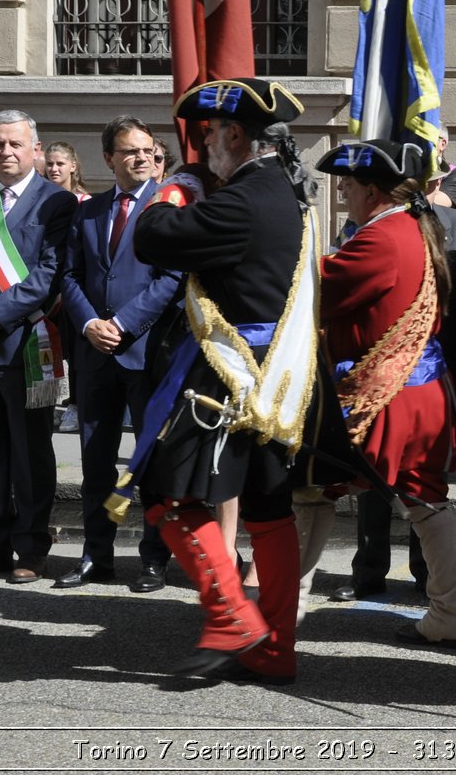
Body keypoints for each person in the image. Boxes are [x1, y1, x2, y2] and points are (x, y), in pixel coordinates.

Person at [131, 78, 339, 683]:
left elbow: (151, 237)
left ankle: (230, 618)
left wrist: (173, 187)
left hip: (229, 376)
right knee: (269, 510)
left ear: (236, 136)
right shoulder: (286, 193)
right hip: (281, 375)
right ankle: (274, 649)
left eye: (209, 137)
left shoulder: (241, 201)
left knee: (168, 495)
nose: (204, 148)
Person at [314, 138, 456, 647]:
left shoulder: (379, 238)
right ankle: (449, 613)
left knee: (312, 491)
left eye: (349, 185)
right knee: (427, 502)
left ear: (374, 190)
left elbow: (319, 288)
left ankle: (278, 608)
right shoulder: (411, 227)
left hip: (385, 395)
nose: (342, 193)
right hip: (421, 390)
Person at [0, 109, 77, 582]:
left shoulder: (56, 203)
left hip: (26, 343)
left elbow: (49, 273)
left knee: (30, 450)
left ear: (36, 149)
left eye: (16, 144)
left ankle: (31, 546)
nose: (6, 152)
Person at [54, 116, 180, 592]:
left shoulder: (166, 207)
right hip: (95, 355)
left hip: (145, 353)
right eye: (129, 151)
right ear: (109, 159)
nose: (141, 158)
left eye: (147, 150)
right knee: (96, 460)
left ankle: (153, 557)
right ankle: (96, 556)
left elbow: (172, 278)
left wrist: (124, 323)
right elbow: (68, 274)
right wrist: (89, 323)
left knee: (150, 461)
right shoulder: (87, 211)